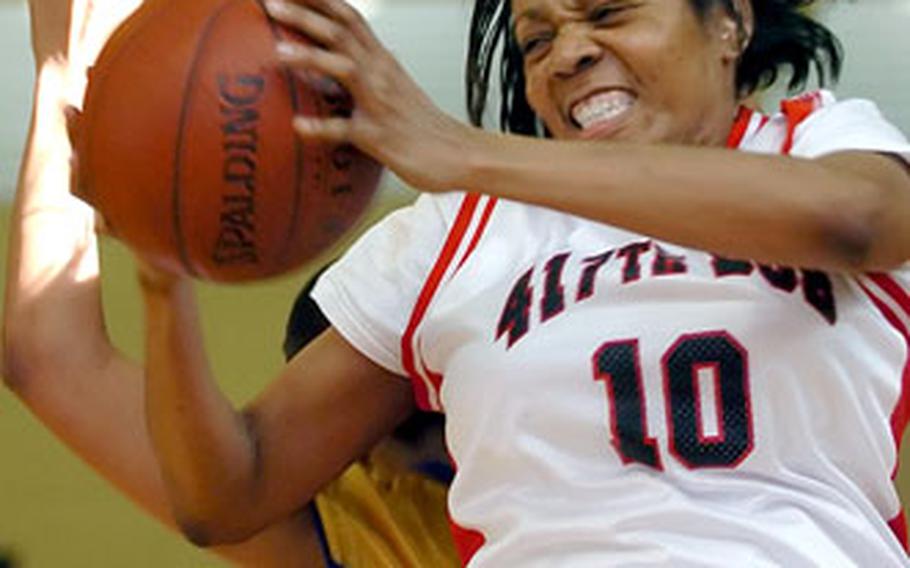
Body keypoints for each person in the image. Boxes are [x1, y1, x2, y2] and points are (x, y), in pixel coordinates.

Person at [19, 0, 910, 567]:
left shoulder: (821, 143)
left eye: (608, 11)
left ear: (730, 23)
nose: (568, 52)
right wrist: (165, 278)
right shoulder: (455, 232)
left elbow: (858, 223)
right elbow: (229, 494)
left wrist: (460, 151)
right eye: (537, 39)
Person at [1, 0, 458, 565]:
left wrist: (62, 76)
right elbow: (49, 358)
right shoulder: (386, 521)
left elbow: (52, 358)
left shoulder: (395, 524)